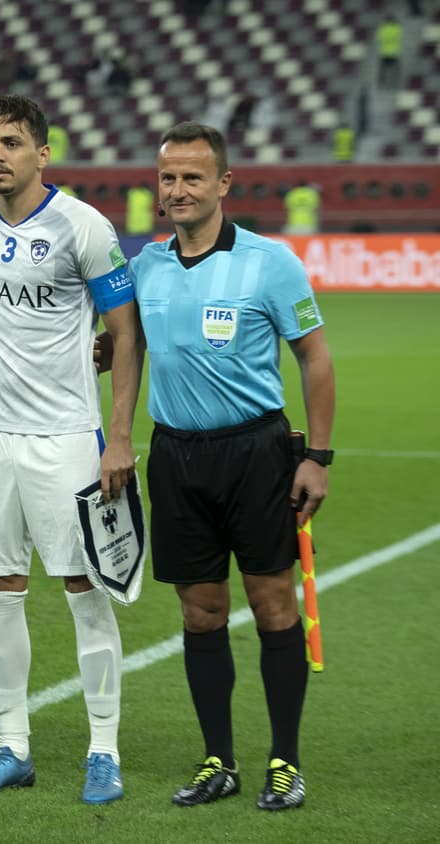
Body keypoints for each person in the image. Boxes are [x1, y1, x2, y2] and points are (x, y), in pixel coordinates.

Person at [127, 121, 334, 811]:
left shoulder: (270, 262)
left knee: (274, 605)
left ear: (223, 184)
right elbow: (132, 345)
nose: (178, 190)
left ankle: (285, 761)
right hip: (176, 456)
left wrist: (318, 458)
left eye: (192, 177)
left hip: (257, 454)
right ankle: (219, 758)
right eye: (168, 178)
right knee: (201, 610)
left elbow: (315, 357)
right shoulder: (148, 266)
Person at [0, 95, 141, 805]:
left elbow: (125, 331)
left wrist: (119, 438)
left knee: (84, 591)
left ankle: (104, 751)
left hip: (67, 437)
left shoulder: (83, 226)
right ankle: (12, 748)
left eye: (11, 143)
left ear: (42, 153)